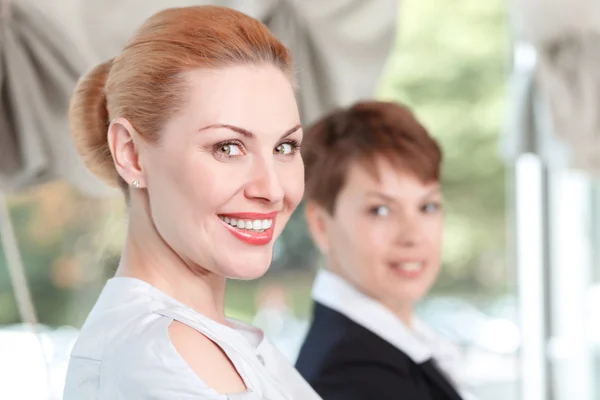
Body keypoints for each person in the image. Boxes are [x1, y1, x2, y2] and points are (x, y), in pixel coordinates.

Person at [62, 6, 321, 400]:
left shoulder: (203, 340)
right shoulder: (160, 359)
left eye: (285, 146)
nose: (271, 188)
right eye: (228, 147)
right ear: (131, 153)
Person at [295, 100, 476, 400]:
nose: (413, 236)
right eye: (380, 210)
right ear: (321, 225)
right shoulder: (349, 376)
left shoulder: (396, 347)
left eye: (427, 206)